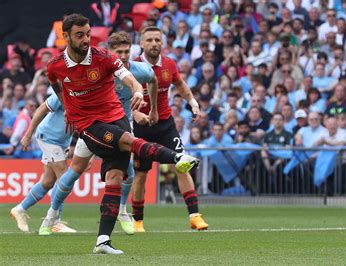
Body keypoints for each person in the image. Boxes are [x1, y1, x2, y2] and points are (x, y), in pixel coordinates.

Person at [43, 14, 199, 255]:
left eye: (88, 34)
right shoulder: (55, 65)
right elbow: (55, 82)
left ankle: (102, 240)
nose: (85, 39)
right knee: (124, 144)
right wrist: (67, 106)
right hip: (90, 125)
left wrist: (137, 91)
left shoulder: (104, 57)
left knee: (116, 177)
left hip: (118, 118)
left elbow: (132, 80)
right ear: (65, 37)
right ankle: (178, 158)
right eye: (79, 35)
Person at [132, 26, 208, 233]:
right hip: (140, 127)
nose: (154, 43)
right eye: (149, 40)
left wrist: (192, 102)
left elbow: (180, 84)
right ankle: (138, 221)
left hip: (165, 124)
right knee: (140, 174)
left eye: (158, 39)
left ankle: (194, 216)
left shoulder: (169, 64)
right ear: (141, 43)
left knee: (182, 165)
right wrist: (134, 115)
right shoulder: (133, 67)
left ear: (163, 43)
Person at [9, 94, 76, 234]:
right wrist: (28, 135)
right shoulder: (64, 92)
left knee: (48, 181)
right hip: (49, 137)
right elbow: (41, 109)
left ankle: (19, 210)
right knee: (64, 177)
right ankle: (55, 221)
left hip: (61, 141)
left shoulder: (89, 95)